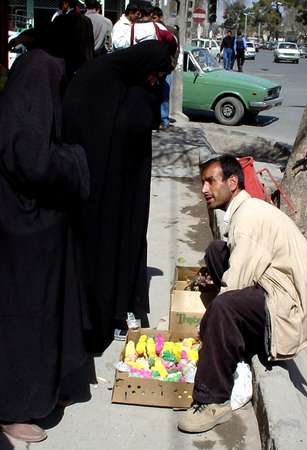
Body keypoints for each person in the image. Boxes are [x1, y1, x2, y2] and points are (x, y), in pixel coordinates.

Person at [178, 154, 307, 433]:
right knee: (216, 250)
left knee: (223, 308)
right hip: (272, 286)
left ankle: (214, 400)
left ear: (233, 183)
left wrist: (206, 329)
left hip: (287, 310)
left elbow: (235, 286)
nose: (204, 189)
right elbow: (234, 262)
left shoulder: (249, 219)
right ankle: (234, 339)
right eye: (203, 182)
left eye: (210, 182)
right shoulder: (244, 210)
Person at [0, 31, 91, 443]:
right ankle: (13, 408)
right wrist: (75, 161)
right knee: (24, 321)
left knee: (46, 315)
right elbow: (31, 160)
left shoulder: (40, 68)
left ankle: (46, 390)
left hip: (38, 226)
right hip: (23, 229)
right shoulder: (41, 70)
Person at [62, 41, 174, 353]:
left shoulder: (123, 80)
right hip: (93, 185)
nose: (155, 82)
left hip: (111, 184)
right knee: (98, 251)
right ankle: (95, 318)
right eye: (155, 75)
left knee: (109, 246)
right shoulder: (103, 80)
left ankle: (107, 312)